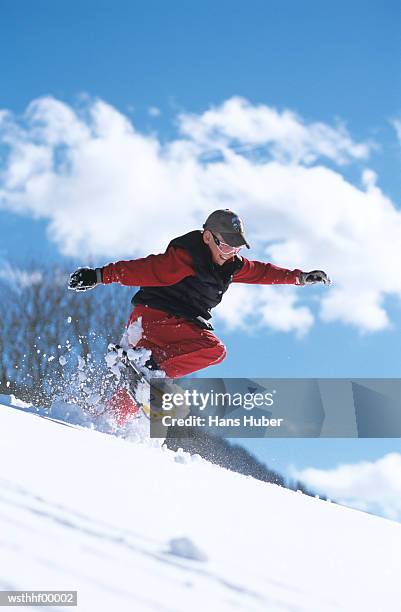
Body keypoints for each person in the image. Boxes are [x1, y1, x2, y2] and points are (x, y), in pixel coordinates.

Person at [68, 209, 330, 422]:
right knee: (213, 349)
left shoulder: (230, 266)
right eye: (226, 246)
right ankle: (148, 367)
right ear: (208, 237)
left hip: (156, 325)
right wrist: (100, 275)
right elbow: (145, 269)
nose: (230, 254)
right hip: (157, 318)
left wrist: (299, 277)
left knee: (134, 396)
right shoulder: (185, 258)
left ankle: (100, 422)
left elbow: (262, 272)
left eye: (237, 249)